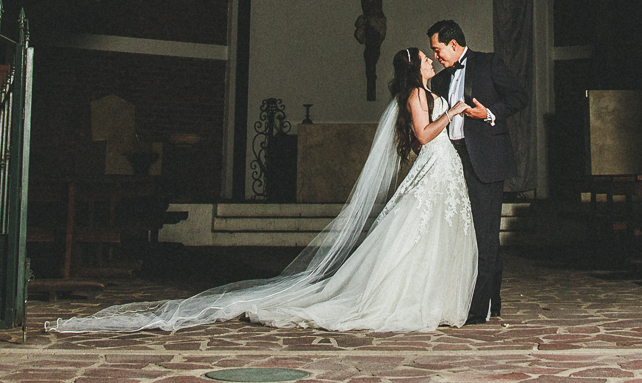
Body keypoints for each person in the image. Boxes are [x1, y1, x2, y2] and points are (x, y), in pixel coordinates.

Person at [44, 47, 477, 334]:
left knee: (435, 236)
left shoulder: (427, 90)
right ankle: (397, 299)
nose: (430, 60)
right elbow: (422, 136)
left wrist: (467, 113)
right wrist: (453, 110)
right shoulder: (415, 96)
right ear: (414, 67)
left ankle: (432, 299)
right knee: (411, 237)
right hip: (432, 166)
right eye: (425, 58)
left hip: (445, 173)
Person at [427, 18, 530, 325]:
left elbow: (519, 97)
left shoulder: (488, 63)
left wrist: (489, 113)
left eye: (438, 49)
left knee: (485, 236)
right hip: (452, 160)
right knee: (466, 234)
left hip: (485, 160)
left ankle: (478, 309)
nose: (436, 56)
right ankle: (491, 301)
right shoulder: (440, 80)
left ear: (454, 44)